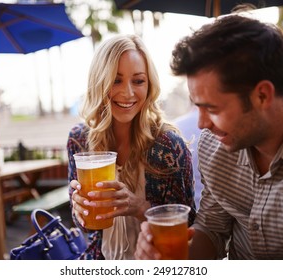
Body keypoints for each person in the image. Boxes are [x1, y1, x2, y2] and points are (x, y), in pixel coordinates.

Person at [135, 14, 283, 260]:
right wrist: (172, 257)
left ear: (262, 96)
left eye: (212, 109)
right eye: (197, 106)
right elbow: (212, 229)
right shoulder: (213, 146)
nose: (202, 124)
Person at [67, 34, 196, 260]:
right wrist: (81, 211)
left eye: (138, 81)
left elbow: (189, 227)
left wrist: (139, 207)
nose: (127, 93)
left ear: (150, 84)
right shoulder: (79, 140)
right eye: (116, 80)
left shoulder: (167, 146)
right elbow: (88, 228)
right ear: (99, 82)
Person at [174, 106, 204, 208]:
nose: (202, 124)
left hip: (184, 211)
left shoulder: (175, 127)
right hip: (216, 213)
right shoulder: (220, 126)